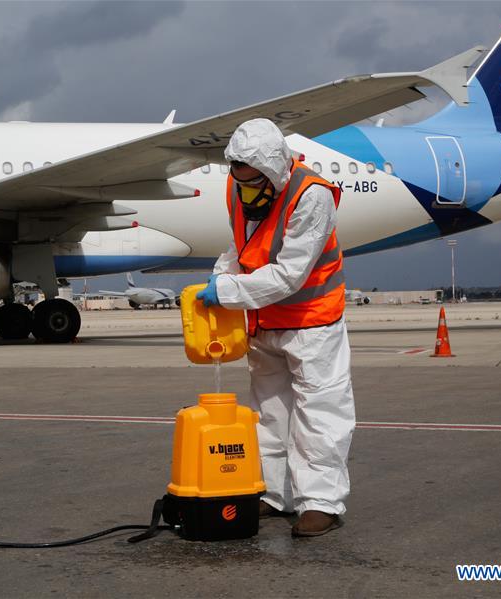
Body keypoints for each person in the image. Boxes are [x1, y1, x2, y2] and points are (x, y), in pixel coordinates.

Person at [196, 118, 355, 537]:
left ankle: (321, 503)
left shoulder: (312, 195)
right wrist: (220, 275)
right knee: (269, 413)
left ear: (275, 172)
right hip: (264, 322)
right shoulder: (239, 188)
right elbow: (241, 246)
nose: (246, 193)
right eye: (241, 183)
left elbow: (290, 275)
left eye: (255, 184)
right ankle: (271, 493)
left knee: (319, 413)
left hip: (311, 322)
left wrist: (228, 290)